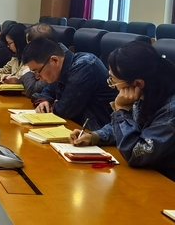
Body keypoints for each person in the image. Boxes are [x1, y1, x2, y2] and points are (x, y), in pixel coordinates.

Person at [70, 42, 175, 181]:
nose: (113, 86)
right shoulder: (148, 90)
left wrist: (121, 111)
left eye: (113, 81)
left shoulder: (171, 110)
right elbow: (131, 128)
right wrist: (94, 137)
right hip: (149, 174)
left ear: (138, 83)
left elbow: (136, 153)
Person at [22, 38, 117, 130]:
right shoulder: (60, 70)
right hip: (79, 129)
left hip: (99, 131)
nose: (37, 77)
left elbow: (64, 111)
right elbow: (46, 92)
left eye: (37, 71)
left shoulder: (84, 66)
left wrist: (54, 104)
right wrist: (44, 101)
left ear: (54, 60)